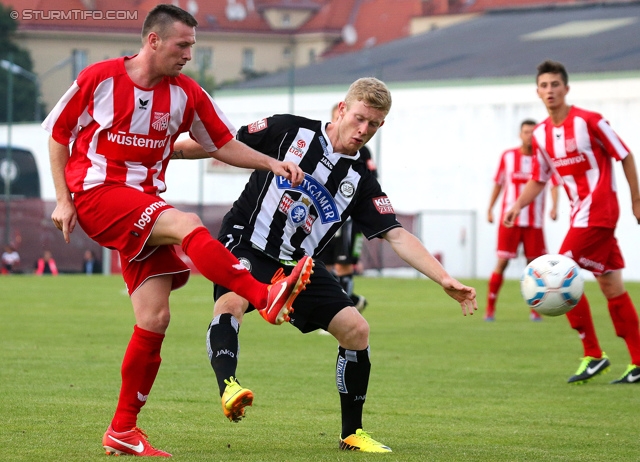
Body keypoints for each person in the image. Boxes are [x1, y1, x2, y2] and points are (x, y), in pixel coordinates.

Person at [41, 4, 314, 457]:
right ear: (153, 40)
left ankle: (123, 429)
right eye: (182, 45)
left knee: (155, 318)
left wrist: (271, 163)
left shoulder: (186, 93)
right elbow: (57, 133)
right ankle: (264, 297)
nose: (189, 54)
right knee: (186, 223)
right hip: (97, 193)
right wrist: (63, 199)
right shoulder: (99, 79)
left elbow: (222, 142)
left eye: (192, 45)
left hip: (143, 205)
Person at [175, 77, 477, 452]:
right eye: (360, 118)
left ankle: (351, 433)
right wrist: (166, 152)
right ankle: (229, 388)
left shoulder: (361, 180)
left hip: (298, 268)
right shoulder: (289, 130)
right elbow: (220, 143)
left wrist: (444, 278)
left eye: (375, 125)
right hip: (247, 242)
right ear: (341, 109)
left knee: (356, 330)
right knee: (232, 303)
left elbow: (396, 234)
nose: (364, 130)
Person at [504, 60, 640, 385]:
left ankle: (593, 354)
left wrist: (636, 200)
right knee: (611, 286)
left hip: (600, 211)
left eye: (555, 85)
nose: (550, 90)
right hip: (580, 213)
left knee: (559, 274)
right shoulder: (539, 134)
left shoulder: (591, 121)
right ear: (537, 91)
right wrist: (517, 205)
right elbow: (539, 178)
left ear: (566, 88)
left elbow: (625, 155)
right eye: (544, 85)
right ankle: (638, 361)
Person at [484, 119, 560, 322]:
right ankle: (490, 309)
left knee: (535, 267)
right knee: (502, 262)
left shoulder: (544, 158)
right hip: (509, 221)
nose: (529, 136)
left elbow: (553, 185)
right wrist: (490, 209)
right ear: (520, 134)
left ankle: (535, 310)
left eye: (533, 132)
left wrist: (554, 206)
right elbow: (498, 184)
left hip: (534, 222)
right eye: (526, 132)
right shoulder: (508, 157)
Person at [317, 103, 378, 313]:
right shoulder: (320, 145)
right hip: (323, 219)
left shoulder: (362, 150)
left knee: (343, 265)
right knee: (322, 266)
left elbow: (370, 182)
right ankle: (350, 301)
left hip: (348, 220)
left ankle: (342, 311)